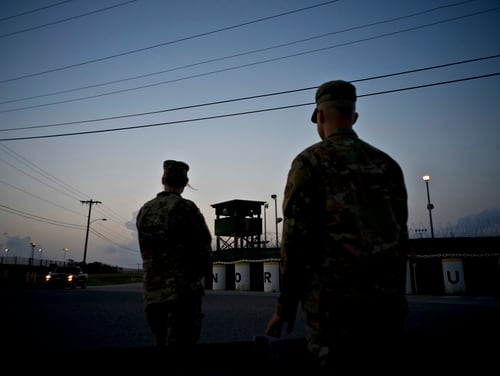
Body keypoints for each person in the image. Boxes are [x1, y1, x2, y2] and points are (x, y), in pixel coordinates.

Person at [264, 80, 409, 373]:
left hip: (333, 309)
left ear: (319, 116)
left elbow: (294, 241)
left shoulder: (310, 162)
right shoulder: (387, 165)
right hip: (385, 308)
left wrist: (285, 307)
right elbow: (401, 237)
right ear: (354, 117)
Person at [136, 159, 213, 354]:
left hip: (152, 292)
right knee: (182, 348)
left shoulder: (145, 210)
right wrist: (203, 273)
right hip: (182, 293)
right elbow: (203, 246)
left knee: (161, 342)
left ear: (163, 179)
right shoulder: (186, 208)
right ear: (185, 182)